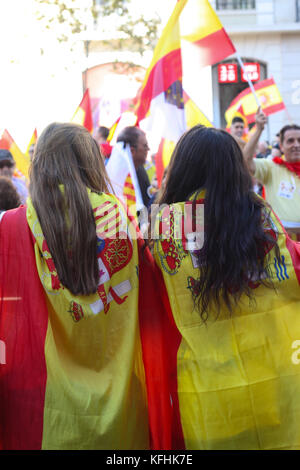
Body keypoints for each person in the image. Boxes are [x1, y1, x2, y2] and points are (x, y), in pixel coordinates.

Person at [0, 122, 168, 450]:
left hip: (47, 411)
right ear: (91, 161)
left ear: (42, 162)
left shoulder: (10, 225)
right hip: (120, 404)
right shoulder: (122, 219)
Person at [152, 125, 300, 450]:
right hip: (272, 389)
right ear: (236, 170)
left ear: (182, 169)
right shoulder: (262, 218)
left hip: (209, 397)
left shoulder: (165, 225)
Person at [244, 123, 300, 237]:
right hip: (282, 243)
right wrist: (259, 129)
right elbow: (246, 159)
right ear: (281, 146)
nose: (296, 145)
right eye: (290, 141)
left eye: (299, 140)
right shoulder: (271, 167)